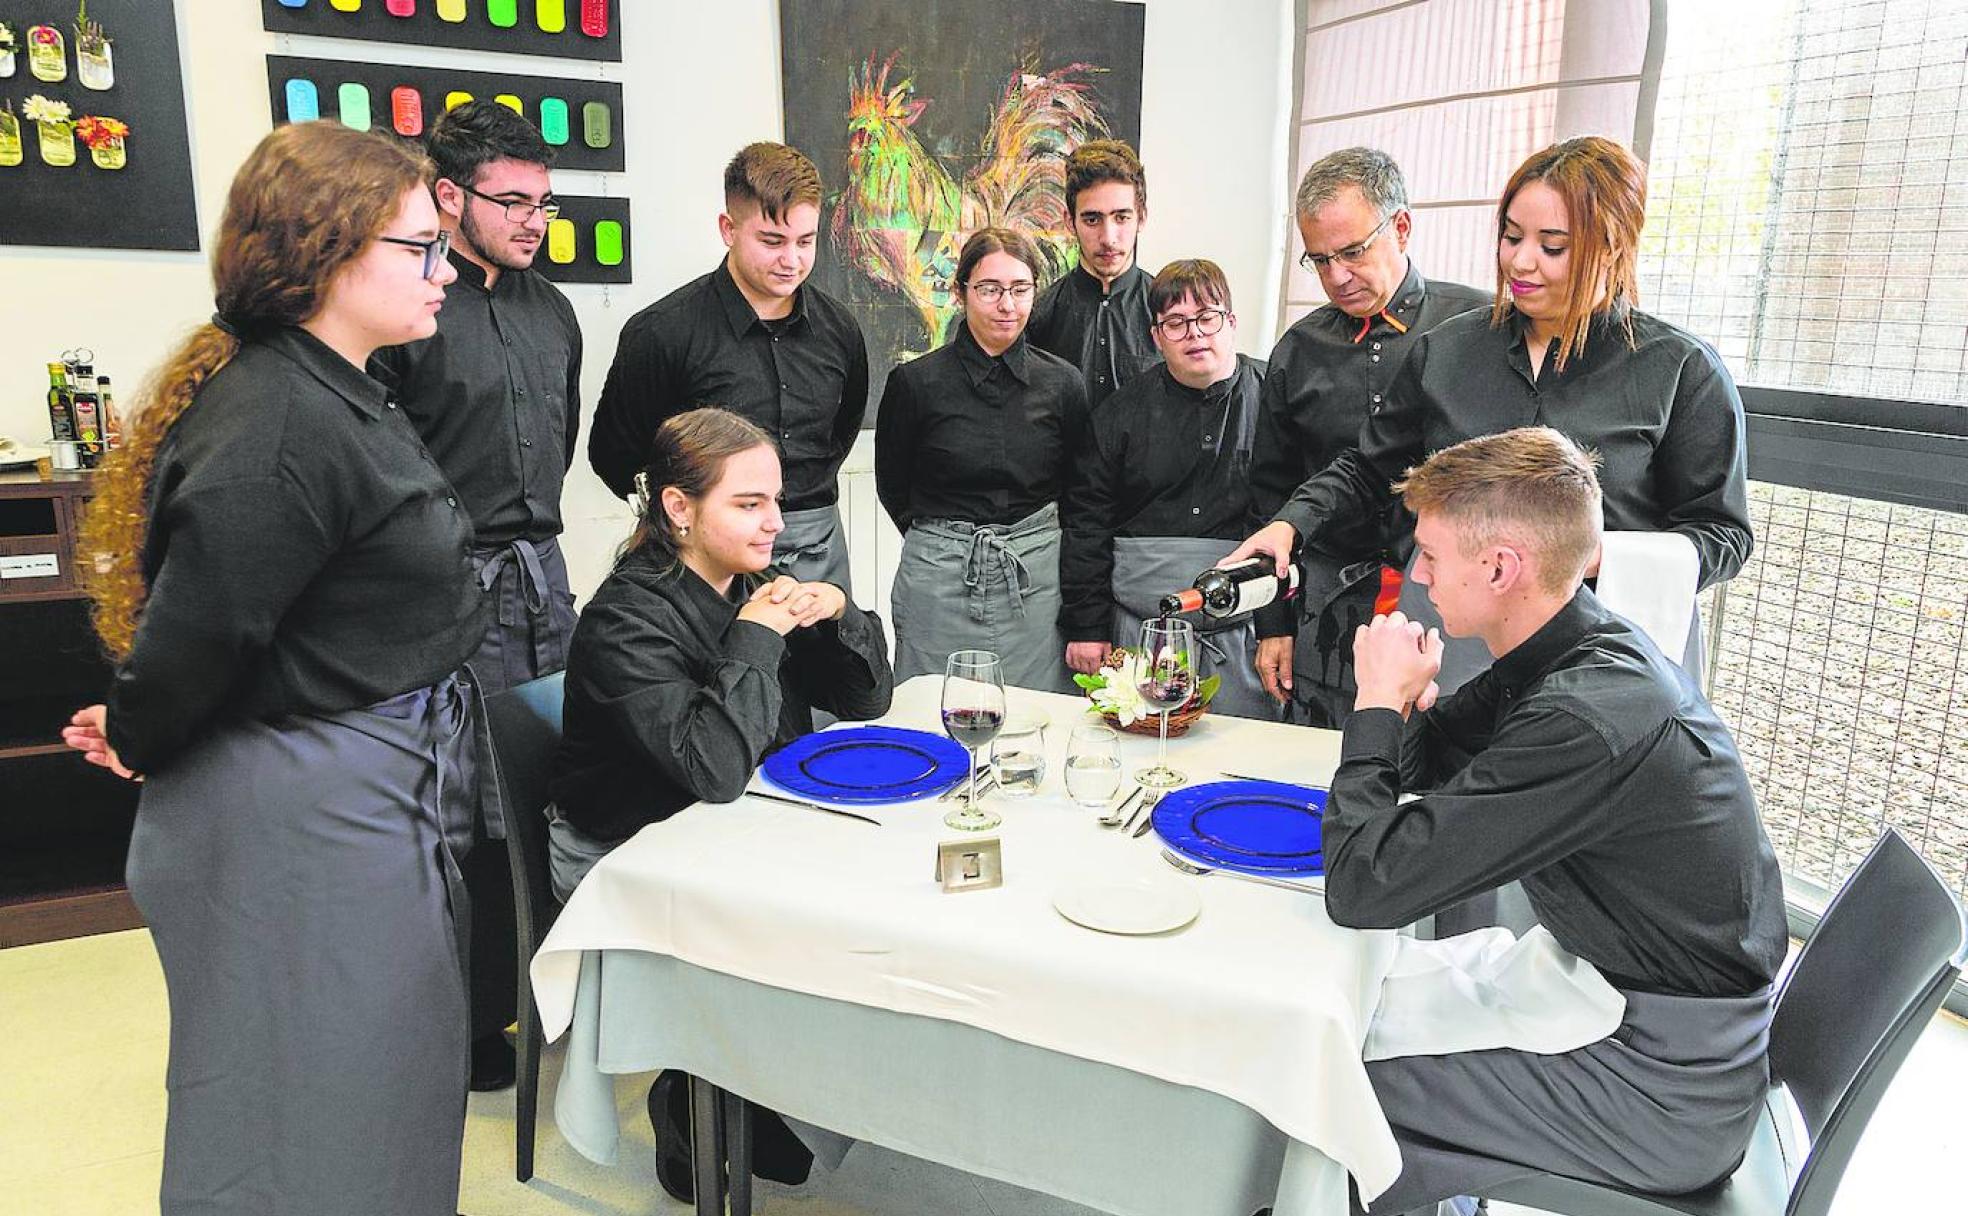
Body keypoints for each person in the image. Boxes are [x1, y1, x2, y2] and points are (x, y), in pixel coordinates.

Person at [61, 122, 482, 1216]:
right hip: (303, 823)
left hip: (362, 792)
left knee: (376, 1087)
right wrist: (145, 730)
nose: (446, 270)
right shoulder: (280, 423)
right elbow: (204, 630)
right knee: (305, 1109)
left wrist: (147, 723)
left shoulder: (339, 388)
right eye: (422, 248)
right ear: (332, 253)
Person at [1323, 427, 1786, 1216]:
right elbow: (1425, 762)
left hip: (1661, 1085)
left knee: (1324, 1080)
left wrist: (1376, 701)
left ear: (1501, 567)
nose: (1417, 575)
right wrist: (1398, 704)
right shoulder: (1567, 652)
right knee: (1351, 1018)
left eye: (1430, 554)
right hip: (1629, 1007)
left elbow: (1365, 887)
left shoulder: (1587, 716)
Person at [1232, 136, 1752, 700]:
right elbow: (1368, 468)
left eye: (1553, 247)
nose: (1521, 261)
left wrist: (1588, 554)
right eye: (1511, 236)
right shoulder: (1448, 350)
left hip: (1600, 652)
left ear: (1611, 246)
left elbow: (1721, 534)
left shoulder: (1680, 369)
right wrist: (1290, 524)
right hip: (1453, 634)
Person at [548, 407, 893, 1203]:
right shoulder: (625, 619)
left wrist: (839, 612)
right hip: (623, 856)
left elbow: (868, 701)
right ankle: (698, 1089)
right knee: (811, 925)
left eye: (776, 500)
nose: (776, 523)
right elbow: (713, 767)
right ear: (678, 508)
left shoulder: (756, 583)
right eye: (749, 504)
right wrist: (756, 638)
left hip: (727, 829)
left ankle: (771, 1089)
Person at [372, 96, 583, 1092]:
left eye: (543, 201)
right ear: (448, 197)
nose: (534, 221)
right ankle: (461, 1029)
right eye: (513, 202)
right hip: (450, 588)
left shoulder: (555, 313)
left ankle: (549, 994)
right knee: (462, 814)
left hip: (546, 579)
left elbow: (563, 442)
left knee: (555, 793)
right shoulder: (410, 311)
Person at [1249, 148, 1488, 727]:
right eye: (1320, 260)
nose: (1336, 277)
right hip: (1324, 607)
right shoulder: (1297, 350)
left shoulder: (1476, 329)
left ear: (1401, 227)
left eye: (1352, 252)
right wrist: (1273, 625)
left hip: (1451, 599)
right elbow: (1271, 495)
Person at [589, 142, 869, 591]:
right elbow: (616, 455)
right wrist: (698, 526)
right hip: (704, 564)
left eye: (806, 241)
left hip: (817, 550)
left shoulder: (840, 330)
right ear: (728, 228)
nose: (792, 260)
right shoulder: (662, 332)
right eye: (772, 241)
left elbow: (839, 434)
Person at [875, 227, 1089, 689]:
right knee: (931, 709)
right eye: (990, 290)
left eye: (1020, 289)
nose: (1006, 305)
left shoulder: (1064, 383)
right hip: (939, 576)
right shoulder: (915, 383)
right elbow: (893, 485)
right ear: (961, 292)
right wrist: (947, 545)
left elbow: (1077, 491)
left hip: (1033, 578)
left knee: (1034, 713)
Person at [1059, 259, 1273, 718]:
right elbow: (1086, 524)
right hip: (1138, 631)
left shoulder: (1277, 399)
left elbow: (1291, 523)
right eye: (1175, 323)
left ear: (1231, 323)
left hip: (1246, 633)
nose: (1194, 334)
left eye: (1207, 318)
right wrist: (1087, 625)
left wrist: (1280, 631)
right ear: (1156, 337)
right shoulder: (1119, 414)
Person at [1025, 139, 1157, 405]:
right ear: (1069, 222)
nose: (1108, 238)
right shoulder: (1038, 314)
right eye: (1092, 219)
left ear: (1141, 217)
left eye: (1121, 217)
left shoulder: (1166, 311)